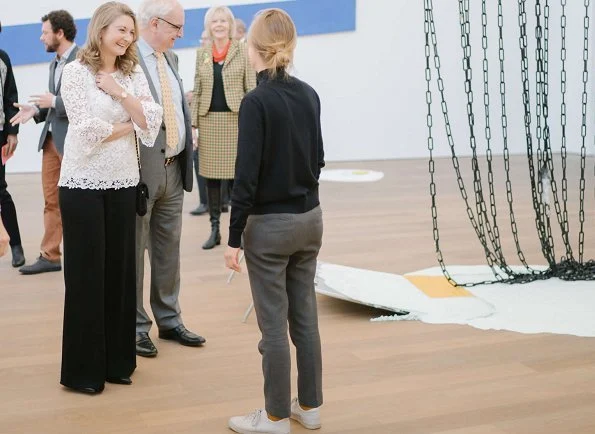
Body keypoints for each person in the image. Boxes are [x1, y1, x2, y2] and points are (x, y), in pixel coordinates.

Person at [224, 9, 325, 434]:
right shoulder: (309, 94)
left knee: (273, 328)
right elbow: (318, 160)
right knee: (304, 317)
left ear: (254, 49)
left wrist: (232, 239)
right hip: (310, 220)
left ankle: (275, 417)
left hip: (269, 229)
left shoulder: (256, 101)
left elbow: (245, 178)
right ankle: (311, 407)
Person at [58, 1, 162, 394]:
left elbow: (152, 120)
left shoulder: (131, 74)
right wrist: (129, 123)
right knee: (87, 276)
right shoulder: (75, 73)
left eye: (131, 32)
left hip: (123, 182)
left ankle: (118, 362)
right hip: (81, 184)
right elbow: (84, 130)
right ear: (101, 29)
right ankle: (84, 370)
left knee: (120, 274)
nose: (127, 38)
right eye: (121, 29)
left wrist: (120, 94)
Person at [134, 0, 205, 359]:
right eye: (176, 27)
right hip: (142, 175)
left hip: (175, 169)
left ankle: (170, 319)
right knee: (134, 252)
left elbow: (173, 108)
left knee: (167, 253)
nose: (181, 34)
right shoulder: (128, 61)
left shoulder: (171, 59)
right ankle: (135, 327)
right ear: (156, 23)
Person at [11, 10, 78, 275]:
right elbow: (54, 103)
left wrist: (55, 102)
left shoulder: (83, 60)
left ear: (59, 33)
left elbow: (88, 102)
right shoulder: (55, 63)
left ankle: (80, 253)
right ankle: (50, 255)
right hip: (51, 140)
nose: (41, 38)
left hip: (73, 143)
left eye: (45, 32)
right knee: (51, 201)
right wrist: (37, 111)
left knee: (76, 201)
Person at [191, 5, 256, 250]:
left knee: (240, 177)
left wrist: (253, 122)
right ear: (209, 26)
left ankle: (239, 231)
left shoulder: (242, 50)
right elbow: (197, 90)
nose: (219, 25)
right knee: (212, 180)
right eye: (214, 21)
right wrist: (194, 124)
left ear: (230, 25)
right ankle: (215, 229)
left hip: (236, 120)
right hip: (209, 122)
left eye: (223, 21)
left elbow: (251, 88)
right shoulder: (202, 53)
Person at [0, 47, 25, 267]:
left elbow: (11, 98)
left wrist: (12, 132)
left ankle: (16, 246)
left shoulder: (2, 58)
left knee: (0, 190)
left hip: (0, 134)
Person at [189, 30, 209, 216]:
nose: (202, 42)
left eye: (205, 39)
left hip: (218, 120)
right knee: (198, 157)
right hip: (202, 118)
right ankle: (205, 201)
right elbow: (199, 87)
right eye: (201, 38)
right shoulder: (201, 59)